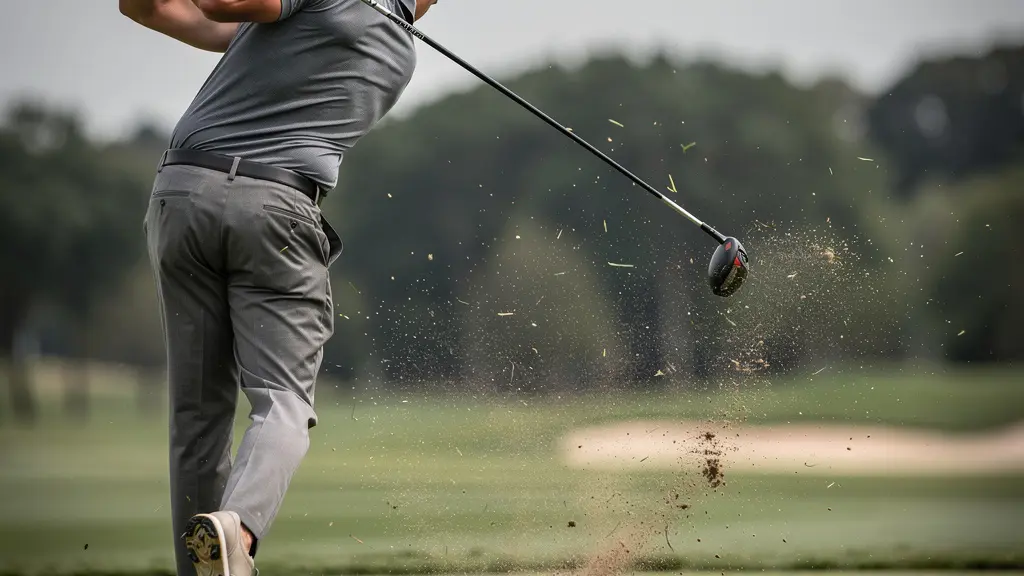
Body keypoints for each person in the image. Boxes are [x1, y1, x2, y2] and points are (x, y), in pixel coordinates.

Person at [118, 0, 436, 574]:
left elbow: (178, 7)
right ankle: (237, 529)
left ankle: (211, 558)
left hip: (182, 197)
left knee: (197, 417)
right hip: (275, 211)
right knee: (283, 400)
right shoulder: (397, 54)